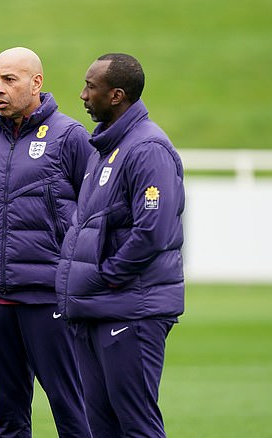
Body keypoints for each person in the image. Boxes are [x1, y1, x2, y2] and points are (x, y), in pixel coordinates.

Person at [0, 47, 93, 438]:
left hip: (48, 296)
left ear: (37, 83)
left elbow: (92, 216)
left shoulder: (71, 136)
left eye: (9, 80)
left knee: (72, 413)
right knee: (9, 418)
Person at [55, 53, 185, 437]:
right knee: (102, 427)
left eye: (90, 87)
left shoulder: (148, 149)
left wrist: (106, 276)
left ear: (115, 95)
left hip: (131, 310)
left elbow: (152, 231)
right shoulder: (107, 147)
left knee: (136, 425)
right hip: (99, 309)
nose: (81, 95)